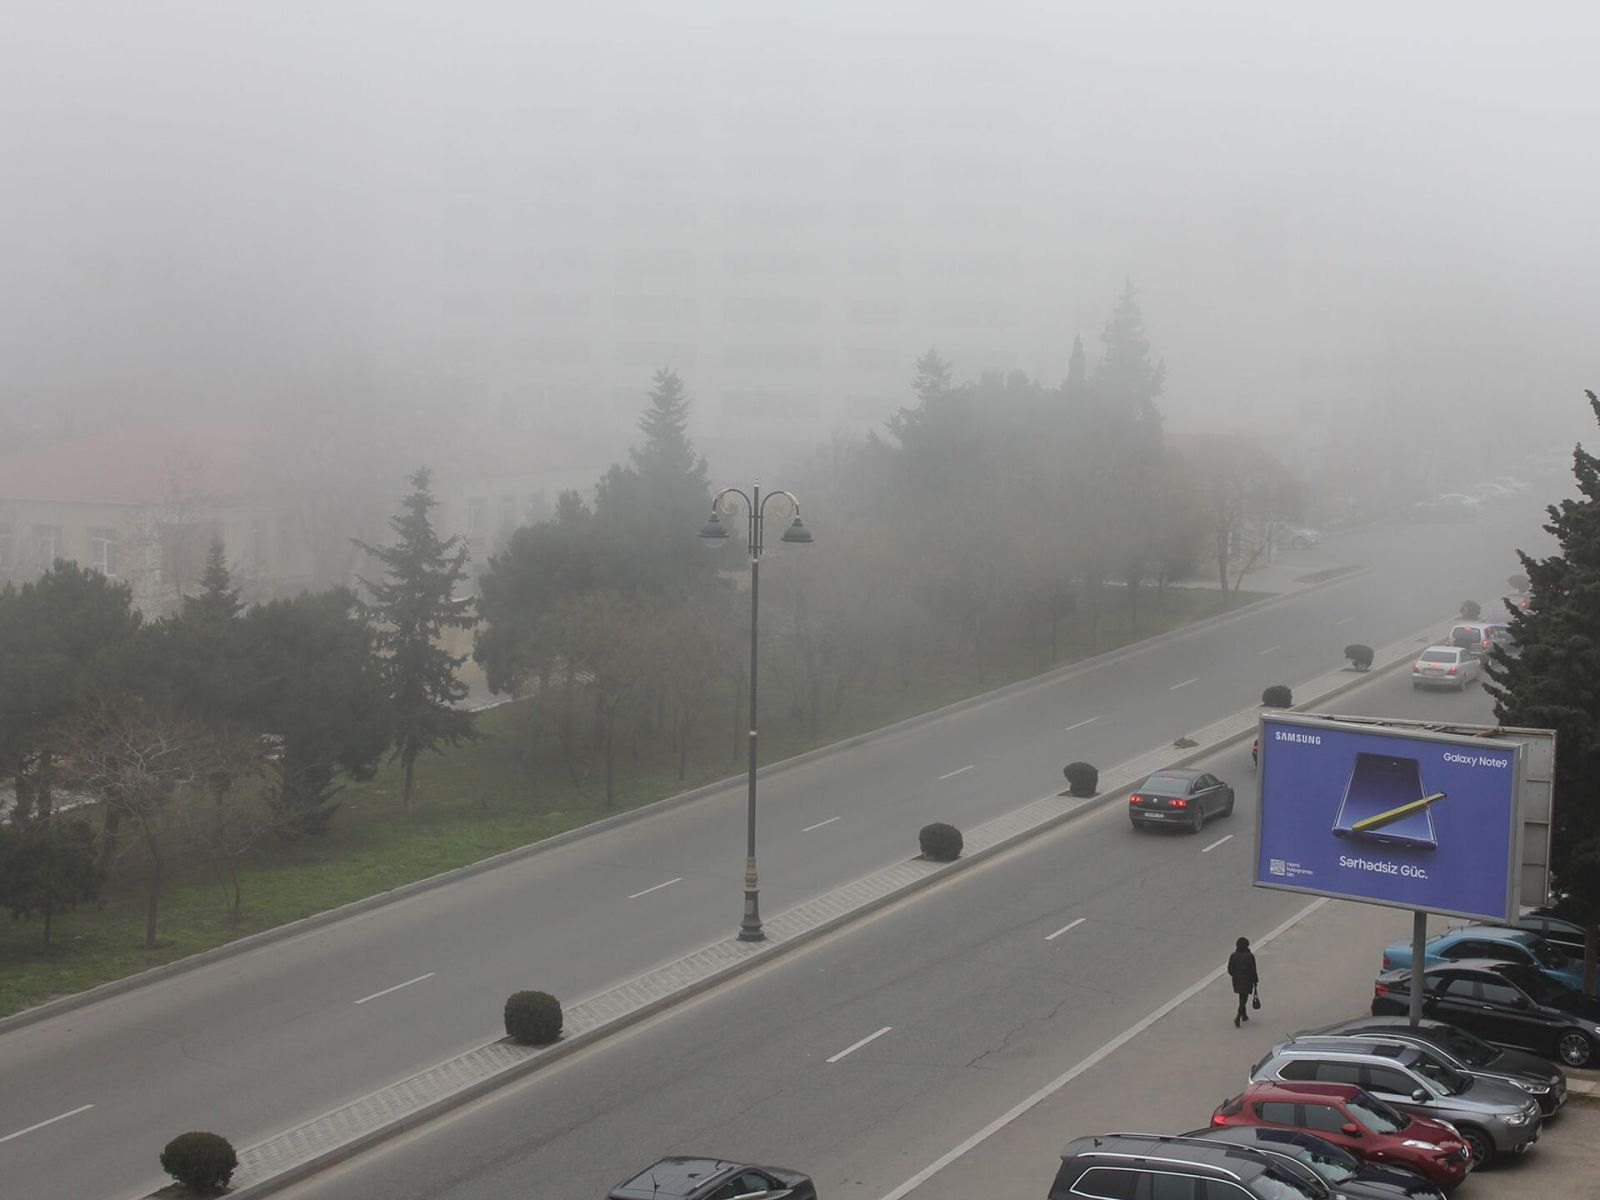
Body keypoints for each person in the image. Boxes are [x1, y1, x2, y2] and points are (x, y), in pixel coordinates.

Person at [1227, 935, 1258, 1027]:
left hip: (1236, 979)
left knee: (1241, 996)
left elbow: (1230, 969)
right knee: (1244, 999)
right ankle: (1238, 1016)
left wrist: (1235, 975)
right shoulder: (1250, 956)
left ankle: (1244, 1015)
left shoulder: (1233, 955)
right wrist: (1255, 980)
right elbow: (1253, 970)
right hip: (1247, 979)